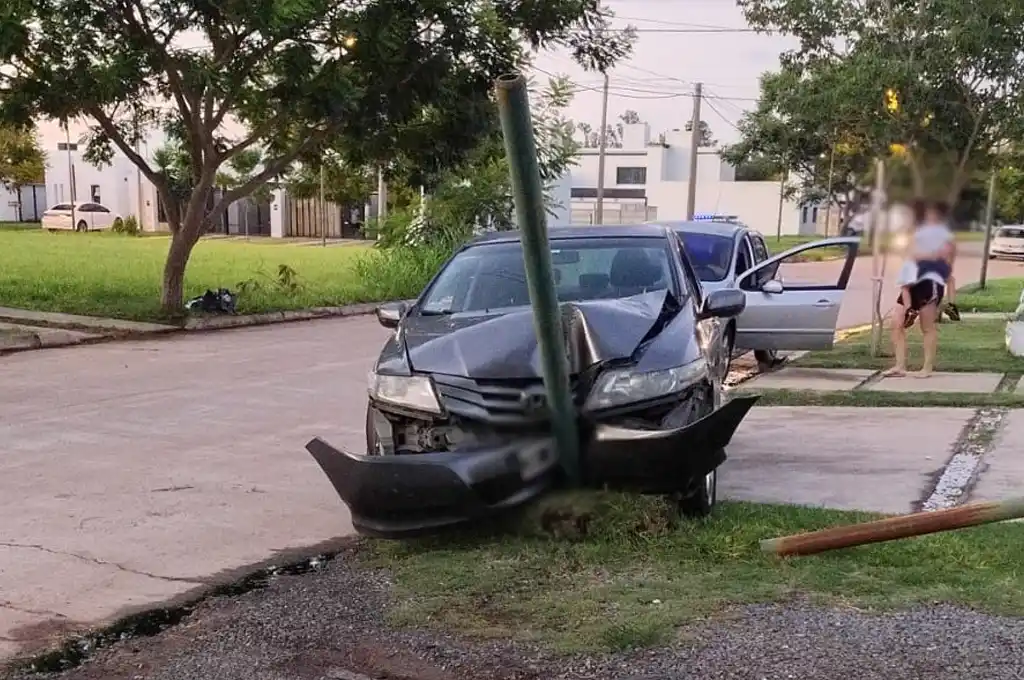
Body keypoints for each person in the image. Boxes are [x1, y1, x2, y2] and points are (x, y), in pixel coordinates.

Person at [885, 199, 955, 378]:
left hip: (929, 281)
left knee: (927, 327)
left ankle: (927, 368)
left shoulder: (944, 235)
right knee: (896, 323)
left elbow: (943, 256)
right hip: (910, 280)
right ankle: (900, 366)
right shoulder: (916, 232)